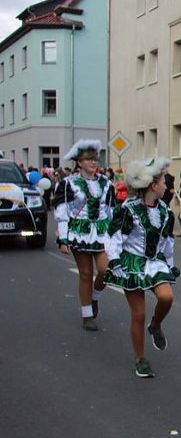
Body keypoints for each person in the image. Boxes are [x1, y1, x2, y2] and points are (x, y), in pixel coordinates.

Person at [104, 158, 179, 378]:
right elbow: (115, 236)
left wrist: (171, 265)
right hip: (132, 262)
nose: (166, 185)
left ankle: (155, 325)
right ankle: (140, 359)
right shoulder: (128, 209)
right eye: (163, 181)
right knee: (138, 313)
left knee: (166, 298)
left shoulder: (165, 211)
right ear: (152, 185)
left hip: (154, 262)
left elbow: (167, 242)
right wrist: (115, 260)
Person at [52, 139, 116, 331]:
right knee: (86, 274)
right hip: (79, 233)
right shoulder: (67, 184)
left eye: (95, 159)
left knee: (106, 270)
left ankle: (95, 296)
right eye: (88, 159)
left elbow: (112, 211)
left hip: (102, 233)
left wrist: (118, 235)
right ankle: (87, 314)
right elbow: (63, 213)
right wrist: (63, 239)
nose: (93, 162)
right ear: (79, 162)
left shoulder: (106, 183)